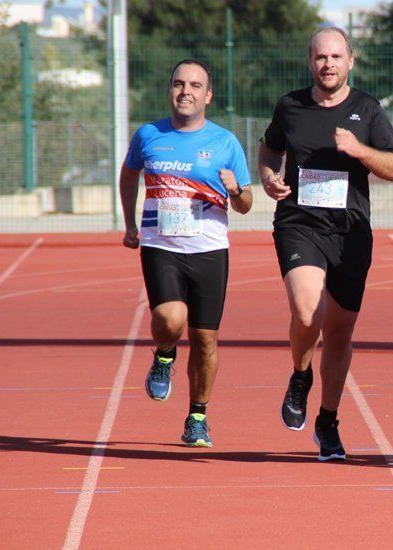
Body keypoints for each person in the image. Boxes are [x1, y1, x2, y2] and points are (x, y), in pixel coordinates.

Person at [258, 27, 393, 461]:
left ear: (350, 61)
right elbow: (268, 151)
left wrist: (360, 151)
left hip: (351, 232)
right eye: (321, 57)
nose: (329, 64)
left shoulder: (367, 109)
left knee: (339, 334)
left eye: (337, 57)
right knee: (306, 309)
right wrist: (269, 178)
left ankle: (328, 421)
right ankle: (300, 375)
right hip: (299, 223)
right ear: (310, 61)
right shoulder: (291, 106)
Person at [120, 58, 253, 447]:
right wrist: (129, 223)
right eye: (179, 84)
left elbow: (245, 204)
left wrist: (235, 189)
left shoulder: (225, 142)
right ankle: (164, 355)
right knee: (170, 317)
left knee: (205, 339)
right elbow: (129, 174)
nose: (186, 92)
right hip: (161, 245)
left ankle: (197, 415)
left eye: (195, 85)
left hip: (210, 249)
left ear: (207, 96)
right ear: (170, 90)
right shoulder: (148, 136)